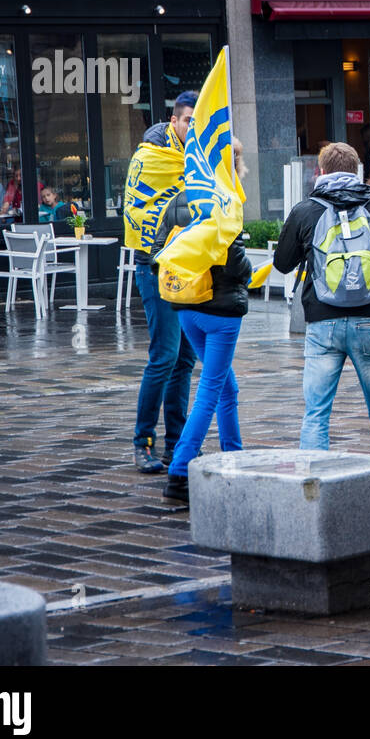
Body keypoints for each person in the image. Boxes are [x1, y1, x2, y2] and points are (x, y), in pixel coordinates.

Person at [273, 141, 370, 455]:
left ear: (321, 172)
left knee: (316, 415)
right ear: (359, 172)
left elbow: (282, 263)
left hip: (322, 325)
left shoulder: (306, 211)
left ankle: (314, 491)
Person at [154, 142, 252, 504]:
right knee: (210, 389)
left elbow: (158, 251)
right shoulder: (224, 200)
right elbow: (234, 261)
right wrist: (248, 271)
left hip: (185, 306)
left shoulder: (179, 197)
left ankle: (235, 455)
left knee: (226, 388)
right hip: (220, 311)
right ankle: (179, 471)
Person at [127, 91, 198, 474]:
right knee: (165, 355)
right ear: (174, 121)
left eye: (199, 123)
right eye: (189, 121)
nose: (193, 128)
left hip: (189, 264)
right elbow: (146, 206)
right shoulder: (151, 156)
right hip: (154, 265)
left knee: (185, 358)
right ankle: (142, 442)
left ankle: (177, 443)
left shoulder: (198, 159)